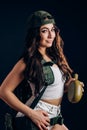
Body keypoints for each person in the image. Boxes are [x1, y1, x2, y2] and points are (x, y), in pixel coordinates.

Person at [0, 10, 84, 130]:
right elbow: (3, 91)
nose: (51, 35)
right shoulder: (27, 61)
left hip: (55, 117)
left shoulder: (55, 58)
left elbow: (47, 88)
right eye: (44, 31)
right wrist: (32, 114)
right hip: (36, 118)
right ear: (35, 34)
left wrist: (66, 87)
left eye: (52, 29)